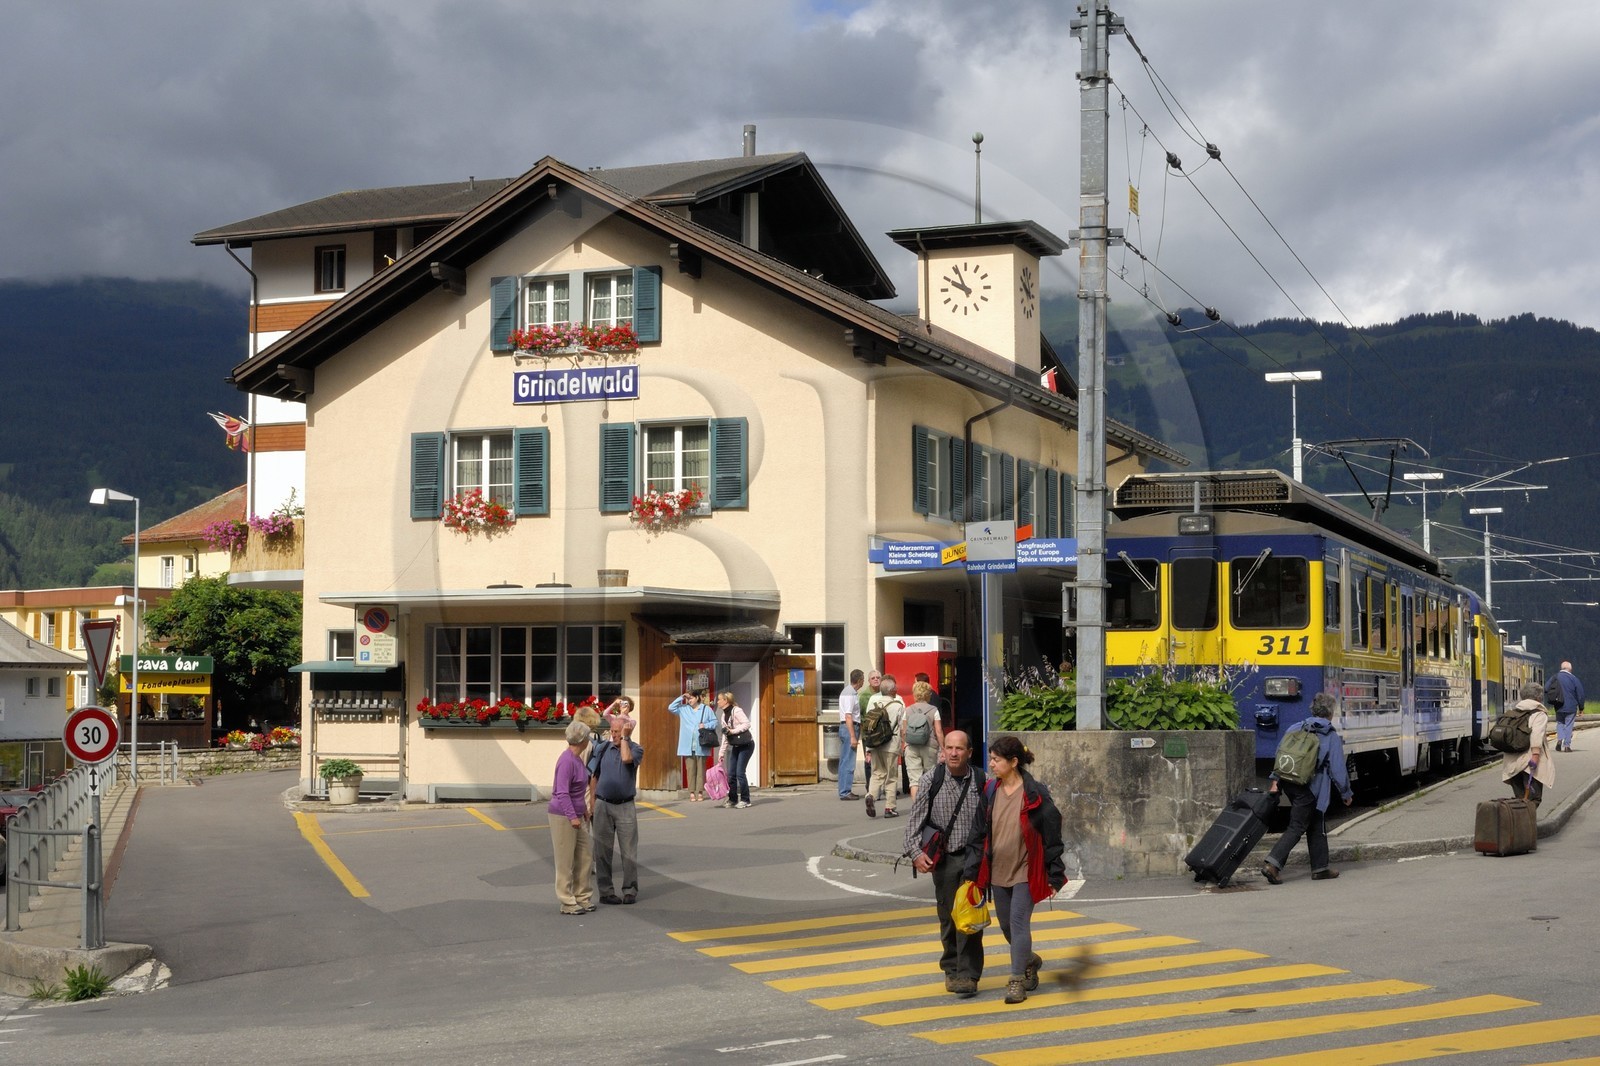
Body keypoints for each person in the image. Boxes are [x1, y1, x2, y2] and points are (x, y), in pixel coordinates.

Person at [970, 734, 1066, 1005]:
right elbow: (979, 832)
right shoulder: (990, 790)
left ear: (1013, 762)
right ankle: (1029, 960)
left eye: (996, 759)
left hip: (1026, 870)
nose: (991, 764)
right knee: (1006, 926)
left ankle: (1015, 981)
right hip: (998, 870)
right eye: (991, 758)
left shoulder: (1034, 792)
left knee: (1019, 922)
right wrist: (972, 871)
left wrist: (1055, 873)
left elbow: (1052, 833)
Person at [905, 730, 988, 998]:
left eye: (959, 748)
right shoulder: (932, 780)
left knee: (971, 919)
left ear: (969, 752)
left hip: (974, 860)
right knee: (949, 918)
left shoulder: (980, 780)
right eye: (949, 748)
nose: (953, 753)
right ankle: (951, 969)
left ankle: (968, 974)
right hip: (946, 860)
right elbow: (913, 825)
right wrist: (916, 853)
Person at [1261, 692, 1353, 885]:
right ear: (1330, 713)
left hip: (1289, 782)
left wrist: (1275, 780)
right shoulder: (1330, 735)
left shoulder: (1296, 727)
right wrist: (1346, 793)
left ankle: (1320, 868)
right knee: (1297, 826)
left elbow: (1281, 753)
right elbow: (1337, 768)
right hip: (1310, 786)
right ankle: (1273, 864)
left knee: (1315, 820)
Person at [586, 708, 643, 904]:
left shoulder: (636, 749)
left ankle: (630, 890)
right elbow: (594, 776)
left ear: (626, 732)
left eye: (617, 731)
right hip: (603, 804)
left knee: (628, 851)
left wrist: (625, 739)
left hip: (625, 805)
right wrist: (593, 802)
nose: (613, 734)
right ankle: (606, 891)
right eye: (612, 731)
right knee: (602, 851)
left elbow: (627, 759)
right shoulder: (602, 749)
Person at [548, 720, 595, 914]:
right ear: (582, 740)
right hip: (562, 815)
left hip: (577, 813)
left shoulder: (577, 759)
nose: (590, 740)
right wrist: (572, 816)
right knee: (565, 860)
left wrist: (583, 809)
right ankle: (567, 902)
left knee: (584, 856)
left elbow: (578, 791)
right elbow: (562, 792)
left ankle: (582, 896)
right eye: (588, 737)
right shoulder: (566, 760)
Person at [1502, 680, 1554, 805]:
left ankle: (1518, 823)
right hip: (1529, 764)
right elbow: (1537, 735)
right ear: (1538, 697)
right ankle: (1521, 824)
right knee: (1533, 800)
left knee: (1520, 799)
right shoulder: (1538, 714)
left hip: (1511, 764)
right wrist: (1535, 757)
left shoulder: (1513, 713)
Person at [863, 674, 905, 818]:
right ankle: (889, 808)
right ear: (892, 690)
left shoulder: (874, 704)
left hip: (875, 744)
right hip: (891, 745)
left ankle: (871, 795)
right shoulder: (898, 706)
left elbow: (869, 727)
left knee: (877, 773)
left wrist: (868, 749)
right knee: (891, 777)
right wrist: (904, 745)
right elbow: (902, 728)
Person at [668, 689, 718, 801]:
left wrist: (705, 725)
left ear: (697, 698)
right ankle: (691, 792)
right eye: (688, 698)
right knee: (690, 770)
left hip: (702, 745)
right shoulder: (683, 709)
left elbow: (715, 722)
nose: (689, 700)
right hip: (687, 745)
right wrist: (681, 697)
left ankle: (699, 792)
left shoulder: (706, 709)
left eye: (691, 698)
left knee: (701, 769)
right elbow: (671, 707)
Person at [901, 680, 945, 798]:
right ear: (928, 694)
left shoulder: (908, 710)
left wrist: (905, 745)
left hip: (911, 747)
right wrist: (943, 748)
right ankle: (929, 807)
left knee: (914, 781)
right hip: (929, 746)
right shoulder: (933, 710)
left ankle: (917, 809)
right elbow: (939, 731)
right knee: (930, 777)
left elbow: (904, 731)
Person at [717, 692, 755, 809]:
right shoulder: (724, 715)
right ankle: (733, 799)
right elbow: (725, 735)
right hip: (736, 745)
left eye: (719, 699)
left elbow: (746, 724)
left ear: (726, 700)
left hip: (746, 745)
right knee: (731, 774)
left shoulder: (736, 710)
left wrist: (733, 731)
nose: (717, 702)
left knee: (740, 773)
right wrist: (721, 752)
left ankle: (745, 799)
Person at [837, 669, 863, 801]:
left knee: (845, 760)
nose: (863, 682)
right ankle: (845, 791)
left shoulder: (848, 691)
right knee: (848, 760)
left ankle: (843, 790)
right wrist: (853, 736)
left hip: (847, 727)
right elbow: (848, 715)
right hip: (850, 727)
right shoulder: (850, 694)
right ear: (859, 680)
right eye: (862, 679)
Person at [1552, 661, 1586, 752]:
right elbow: (1580, 694)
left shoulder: (1555, 677)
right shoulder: (1574, 679)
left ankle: (1559, 740)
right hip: (1571, 707)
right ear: (1570, 669)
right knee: (1568, 725)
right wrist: (1581, 708)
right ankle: (1567, 746)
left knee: (1560, 723)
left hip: (1558, 706)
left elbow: (1547, 688)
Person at [858, 669, 883, 793]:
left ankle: (882, 787)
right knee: (869, 761)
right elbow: (860, 715)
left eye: (878, 677)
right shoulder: (864, 696)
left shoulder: (884, 694)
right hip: (868, 734)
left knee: (881, 761)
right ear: (869, 681)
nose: (876, 679)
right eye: (873, 678)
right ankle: (869, 787)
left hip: (882, 733)